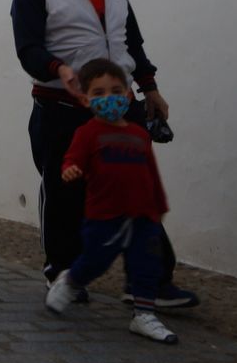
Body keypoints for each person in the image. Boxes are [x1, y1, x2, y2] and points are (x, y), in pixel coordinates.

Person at [10, 0, 198, 308]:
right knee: (64, 194)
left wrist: (150, 89)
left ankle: (151, 282)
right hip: (61, 108)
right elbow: (27, 48)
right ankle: (63, 275)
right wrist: (58, 69)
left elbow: (132, 41)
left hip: (120, 108)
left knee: (138, 192)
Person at [46, 59, 178, 344]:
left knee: (146, 265)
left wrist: (159, 205)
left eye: (116, 91)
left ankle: (144, 315)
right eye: (99, 93)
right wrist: (70, 169)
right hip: (104, 215)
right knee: (95, 261)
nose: (110, 99)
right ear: (85, 99)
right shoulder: (88, 133)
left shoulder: (139, 135)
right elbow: (72, 159)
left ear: (129, 95)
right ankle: (70, 281)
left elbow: (150, 173)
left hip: (142, 215)